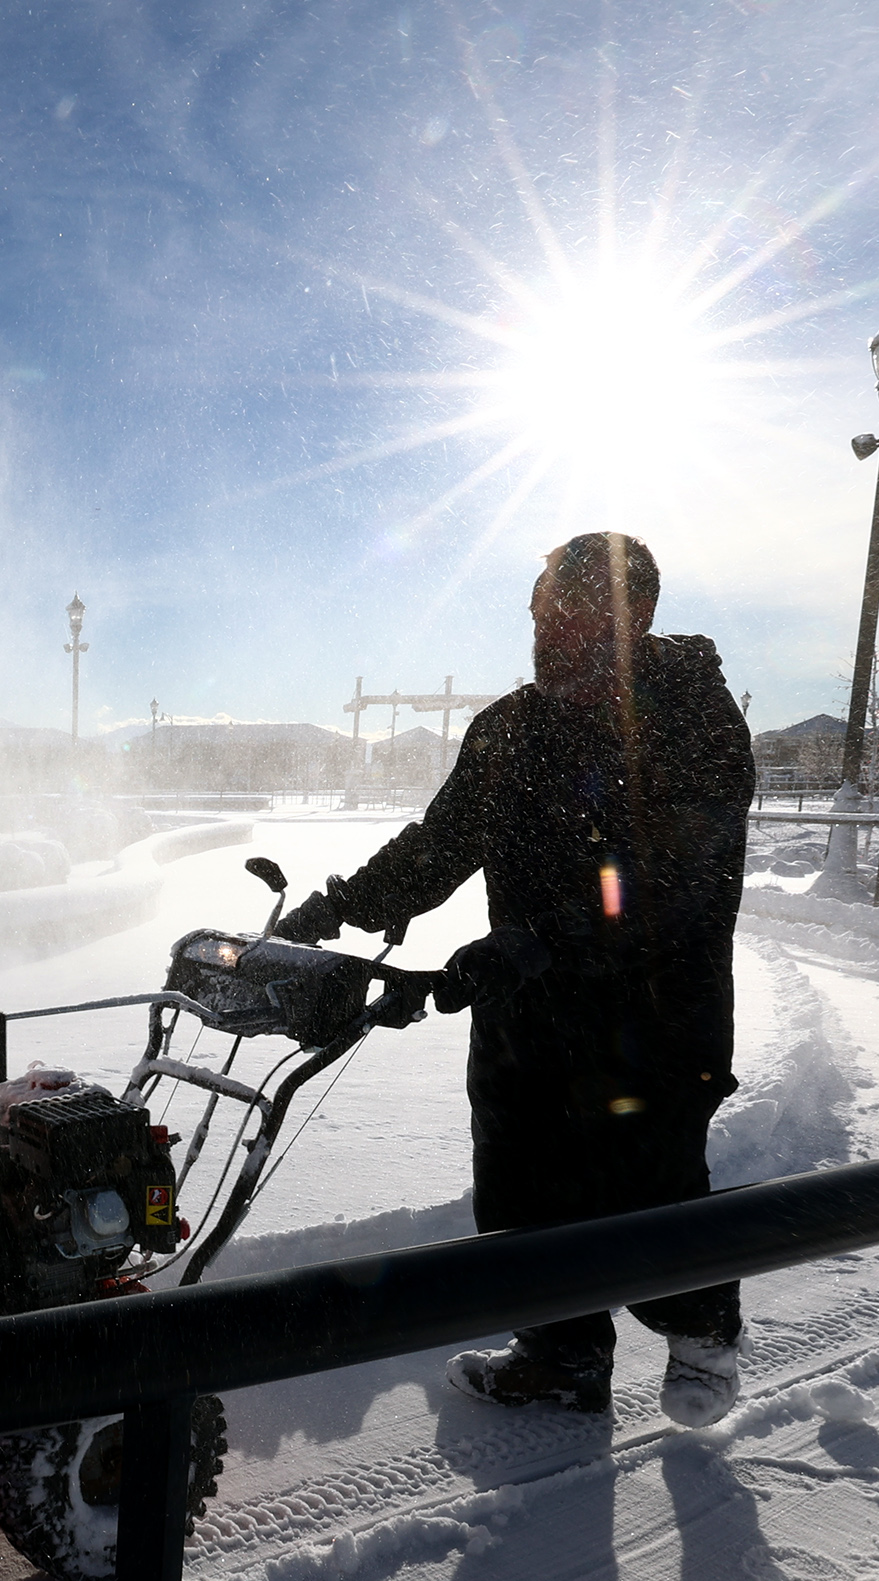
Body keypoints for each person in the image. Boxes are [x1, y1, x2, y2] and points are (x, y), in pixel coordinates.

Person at [275, 532, 755, 1425]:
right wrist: (340, 906)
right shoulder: (510, 726)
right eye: (538, 614)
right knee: (524, 1181)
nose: (545, 634)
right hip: (524, 1008)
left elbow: (674, 877)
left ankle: (701, 1334)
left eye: (569, 617)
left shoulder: (691, 718)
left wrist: (545, 938)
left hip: (653, 1015)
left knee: (644, 1182)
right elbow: (440, 844)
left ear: (635, 618)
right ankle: (561, 1354)